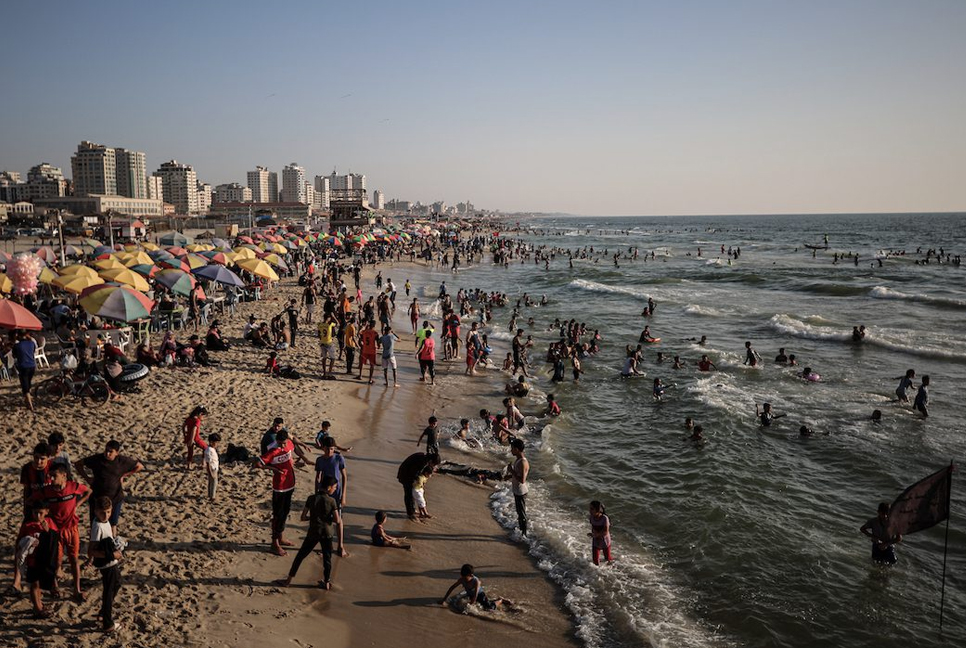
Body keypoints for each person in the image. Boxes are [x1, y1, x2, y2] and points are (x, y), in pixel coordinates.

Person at [31, 463, 90, 601]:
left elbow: (88, 491)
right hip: (55, 531)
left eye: (54, 476)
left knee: (74, 559)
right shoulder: (47, 491)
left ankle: (77, 589)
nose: (51, 479)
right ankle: (55, 587)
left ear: (64, 476)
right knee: (55, 562)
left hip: (72, 529)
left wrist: (77, 505)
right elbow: (32, 500)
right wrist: (43, 515)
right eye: (50, 476)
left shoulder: (73, 486)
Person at [278, 476, 347, 589]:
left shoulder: (311, 498)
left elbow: (303, 517)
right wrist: (327, 517)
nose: (334, 489)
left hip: (313, 532)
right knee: (327, 558)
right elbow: (337, 520)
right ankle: (327, 582)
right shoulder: (331, 501)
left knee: (300, 556)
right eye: (334, 487)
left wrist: (314, 517)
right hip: (327, 533)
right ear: (329, 488)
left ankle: (288, 580)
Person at [74, 440, 143, 534]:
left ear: (117, 453)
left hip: (115, 498)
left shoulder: (122, 461)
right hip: (97, 498)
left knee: (112, 524)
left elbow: (139, 466)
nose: (107, 453)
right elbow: (78, 464)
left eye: (111, 451)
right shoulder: (97, 459)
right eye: (106, 450)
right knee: (95, 524)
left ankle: (111, 544)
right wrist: (87, 478)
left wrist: (124, 475)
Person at [254, 428, 297, 555]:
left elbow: (292, 451)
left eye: (284, 443)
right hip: (279, 487)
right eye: (280, 443)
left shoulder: (289, 444)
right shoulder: (273, 451)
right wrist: (273, 468)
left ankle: (281, 537)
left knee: (285, 512)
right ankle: (274, 543)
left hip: (290, 483)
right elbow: (258, 464)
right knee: (277, 514)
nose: (282, 446)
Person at [16, 501, 59, 618]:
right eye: (35, 513)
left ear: (46, 512)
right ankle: (37, 608)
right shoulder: (27, 525)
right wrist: (28, 543)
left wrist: (48, 531)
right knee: (34, 584)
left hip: (44, 561)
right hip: (32, 560)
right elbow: (19, 542)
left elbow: (56, 539)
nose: (38, 516)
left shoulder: (49, 523)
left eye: (41, 513)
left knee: (39, 584)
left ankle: (39, 604)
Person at [88, 496, 124, 633]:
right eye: (103, 512)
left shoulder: (106, 522)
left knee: (117, 584)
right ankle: (108, 623)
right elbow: (91, 551)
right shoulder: (97, 526)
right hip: (107, 565)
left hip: (111, 562)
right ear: (96, 511)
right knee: (108, 593)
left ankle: (103, 613)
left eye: (108, 512)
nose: (106, 515)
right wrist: (112, 555)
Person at [440, 564, 511, 611]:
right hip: (471, 594)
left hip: (480, 594)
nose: (464, 579)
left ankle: (500, 600)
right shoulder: (462, 579)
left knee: (490, 608)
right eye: (462, 576)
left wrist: (471, 604)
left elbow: (476, 594)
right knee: (480, 606)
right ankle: (494, 600)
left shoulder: (475, 581)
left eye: (465, 577)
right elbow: (452, 587)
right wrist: (444, 599)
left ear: (471, 575)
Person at [397, 452, 440, 520]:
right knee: (409, 494)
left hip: (407, 473)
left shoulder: (423, 457)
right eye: (433, 464)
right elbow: (413, 472)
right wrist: (418, 480)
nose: (433, 466)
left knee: (412, 494)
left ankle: (412, 510)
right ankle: (410, 513)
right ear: (431, 461)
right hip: (405, 475)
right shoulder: (422, 461)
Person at [314, 437, 348, 510]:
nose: (329, 451)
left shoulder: (339, 458)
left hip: (336, 490)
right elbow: (318, 477)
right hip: (324, 490)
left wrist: (343, 495)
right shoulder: (320, 460)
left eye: (332, 449)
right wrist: (316, 494)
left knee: (337, 513)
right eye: (327, 449)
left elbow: (344, 476)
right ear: (323, 448)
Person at [13, 330, 37, 411]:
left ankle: (30, 405)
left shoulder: (17, 345)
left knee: (25, 386)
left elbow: (14, 356)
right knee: (28, 382)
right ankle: (28, 399)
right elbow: (33, 352)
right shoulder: (31, 343)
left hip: (23, 366)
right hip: (32, 365)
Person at [510, 439, 529, 537]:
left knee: (522, 514)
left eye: (512, 448)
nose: (511, 450)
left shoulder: (522, 462)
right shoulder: (518, 459)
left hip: (521, 492)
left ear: (517, 449)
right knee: (519, 512)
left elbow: (522, 480)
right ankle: (521, 531)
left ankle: (524, 535)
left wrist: (511, 471)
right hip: (517, 491)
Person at [182, 405, 209, 469]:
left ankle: (189, 465)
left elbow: (183, 426)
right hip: (195, 438)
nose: (203, 418)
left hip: (188, 437)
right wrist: (192, 439)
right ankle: (203, 463)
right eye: (203, 416)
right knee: (205, 448)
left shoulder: (189, 419)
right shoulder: (197, 421)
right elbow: (194, 429)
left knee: (190, 452)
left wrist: (185, 435)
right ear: (200, 414)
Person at [588, 500, 612, 566]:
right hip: (596, 541)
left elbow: (605, 532)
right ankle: (597, 573)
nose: (590, 510)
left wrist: (596, 535)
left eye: (592, 509)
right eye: (590, 508)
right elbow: (593, 527)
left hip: (605, 541)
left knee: (608, 559)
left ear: (598, 510)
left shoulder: (604, 518)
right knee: (595, 560)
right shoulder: (591, 517)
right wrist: (593, 534)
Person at [358, 319, 379, 383]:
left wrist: (361, 345)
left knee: (362, 362)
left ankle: (360, 375)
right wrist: (378, 347)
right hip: (372, 351)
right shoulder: (375, 333)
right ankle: (370, 379)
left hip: (365, 349)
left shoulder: (364, 332)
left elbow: (359, 337)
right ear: (374, 325)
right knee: (371, 365)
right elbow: (378, 343)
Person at [317, 314, 337, 379]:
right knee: (333, 358)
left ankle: (325, 373)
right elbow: (336, 323)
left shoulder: (319, 325)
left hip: (322, 342)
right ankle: (330, 373)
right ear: (328, 318)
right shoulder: (329, 324)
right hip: (328, 342)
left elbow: (319, 334)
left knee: (324, 358)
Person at [204, 433, 221, 501]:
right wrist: (210, 471)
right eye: (215, 442)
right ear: (211, 442)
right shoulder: (209, 450)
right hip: (212, 468)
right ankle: (212, 496)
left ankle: (210, 494)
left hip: (214, 467)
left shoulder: (212, 449)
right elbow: (208, 462)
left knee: (212, 482)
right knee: (213, 482)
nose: (217, 444)